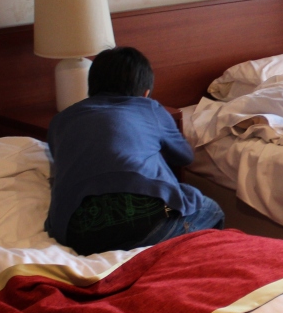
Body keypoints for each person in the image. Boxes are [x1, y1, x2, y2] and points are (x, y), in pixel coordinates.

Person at [44, 46, 224, 255]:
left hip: (75, 231)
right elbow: (184, 156)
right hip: (144, 220)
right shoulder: (150, 108)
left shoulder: (60, 120)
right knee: (211, 210)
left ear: (91, 86)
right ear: (145, 93)